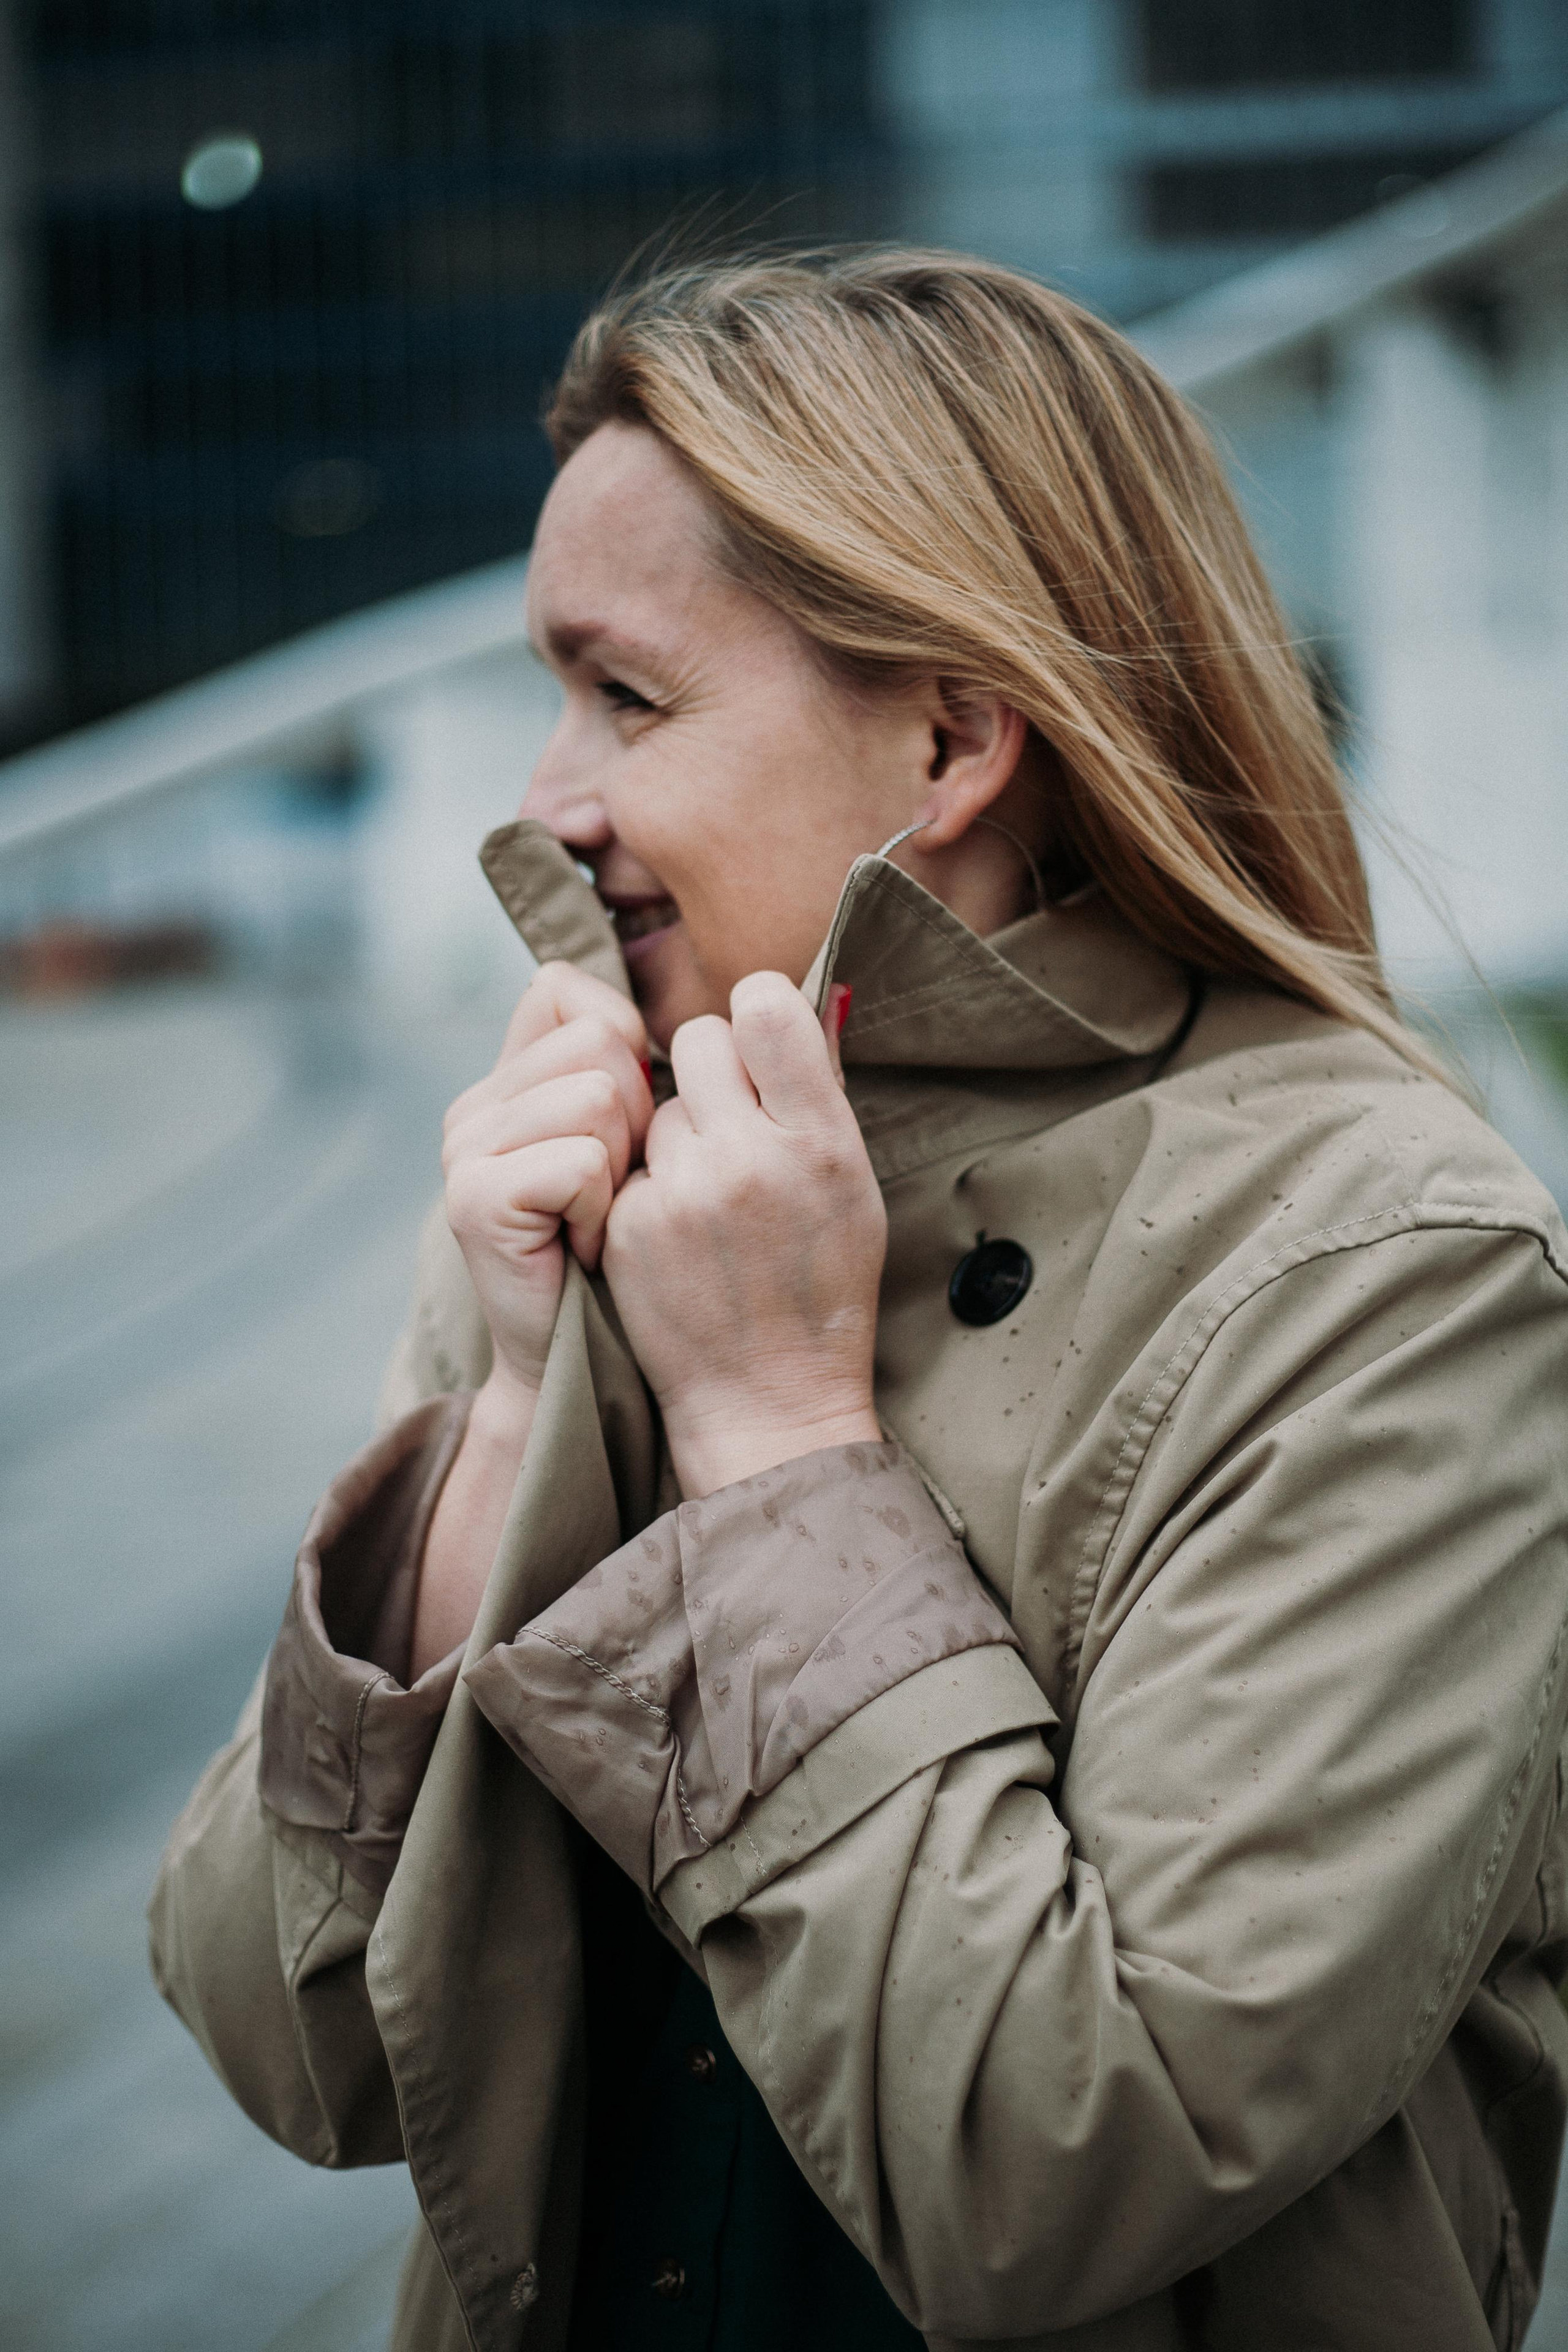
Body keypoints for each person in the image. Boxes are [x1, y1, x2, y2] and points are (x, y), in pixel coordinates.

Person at [150, 251, 1568, 2352]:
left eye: (624, 697)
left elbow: (1055, 2169)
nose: (545, 798)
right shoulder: (607, 1169)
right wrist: (518, 1386)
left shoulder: (1386, 1266)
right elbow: (300, 2052)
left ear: (950, 736)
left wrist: (780, 1439)